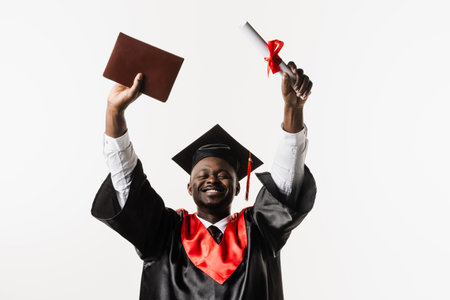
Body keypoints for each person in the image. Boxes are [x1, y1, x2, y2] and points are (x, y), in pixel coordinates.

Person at [91, 62, 317, 299]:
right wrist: (114, 112)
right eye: (202, 175)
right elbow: (128, 182)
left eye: (222, 175)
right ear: (189, 187)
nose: (212, 179)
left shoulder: (259, 230)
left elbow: (284, 185)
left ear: (238, 186)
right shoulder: (162, 232)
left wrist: (293, 109)